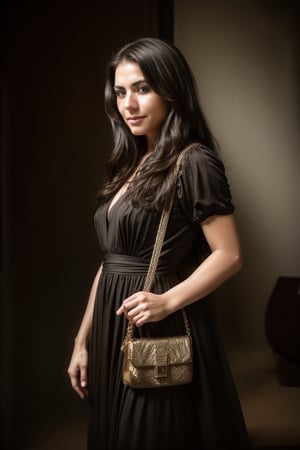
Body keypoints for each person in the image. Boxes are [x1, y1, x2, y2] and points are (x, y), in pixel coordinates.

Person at [67, 37, 250, 450]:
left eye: (142, 88)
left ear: (172, 90)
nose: (127, 104)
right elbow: (112, 262)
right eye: (120, 91)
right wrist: (83, 342)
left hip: (157, 324)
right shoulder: (133, 162)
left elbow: (230, 254)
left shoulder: (195, 160)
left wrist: (166, 303)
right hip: (113, 328)